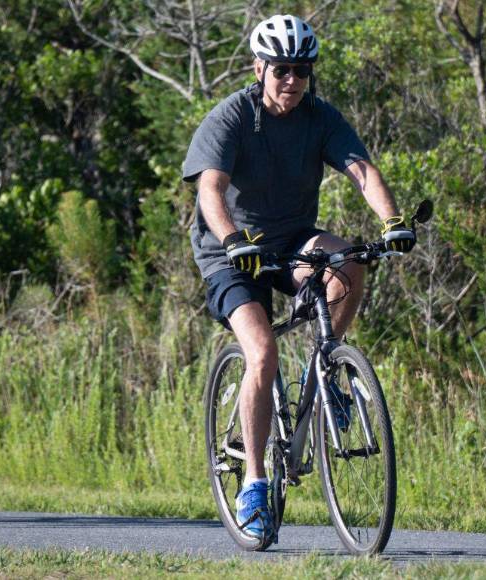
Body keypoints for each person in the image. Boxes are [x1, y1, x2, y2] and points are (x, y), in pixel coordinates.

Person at [182, 14, 415, 543]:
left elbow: (362, 172)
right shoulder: (231, 117)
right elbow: (210, 190)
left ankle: (326, 368)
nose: (292, 80)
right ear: (259, 69)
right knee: (262, 352)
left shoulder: (319, 117)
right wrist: (232, 240)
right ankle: (255, 484)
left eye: (302, 71)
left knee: (349, 260)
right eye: (282, 69)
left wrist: (392, 222)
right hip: (230, 253)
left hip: (291, 243)